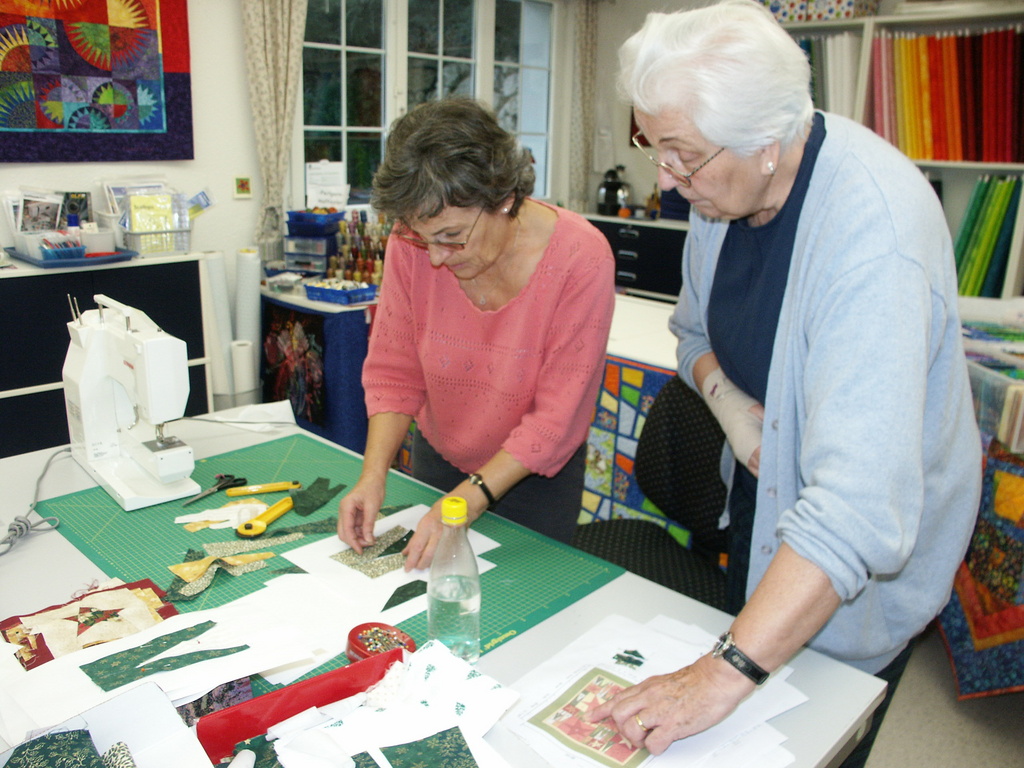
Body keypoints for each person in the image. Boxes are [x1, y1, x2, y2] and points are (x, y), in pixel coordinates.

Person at [587, 3, 982, 767]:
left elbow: (857, 513)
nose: (665, 181)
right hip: (766, 506)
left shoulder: (874, 237)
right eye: (654, 147)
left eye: (680, 156)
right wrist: (737, 414)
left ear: (766, 144)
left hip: (857, 564)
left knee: (809, 739)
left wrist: (721, 671)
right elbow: (693, 334)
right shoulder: (722, 188)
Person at [337, 98, 615, 571]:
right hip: (439, 458)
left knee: (521, 603)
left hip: (533, 479)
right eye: (423, 238)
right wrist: (373, 474)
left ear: (503, 198)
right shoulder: (413, 239)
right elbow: (394, 370)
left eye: (452, 236)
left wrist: (466, 501)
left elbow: (556, 418)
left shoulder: (581, 259)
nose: (435, 257)